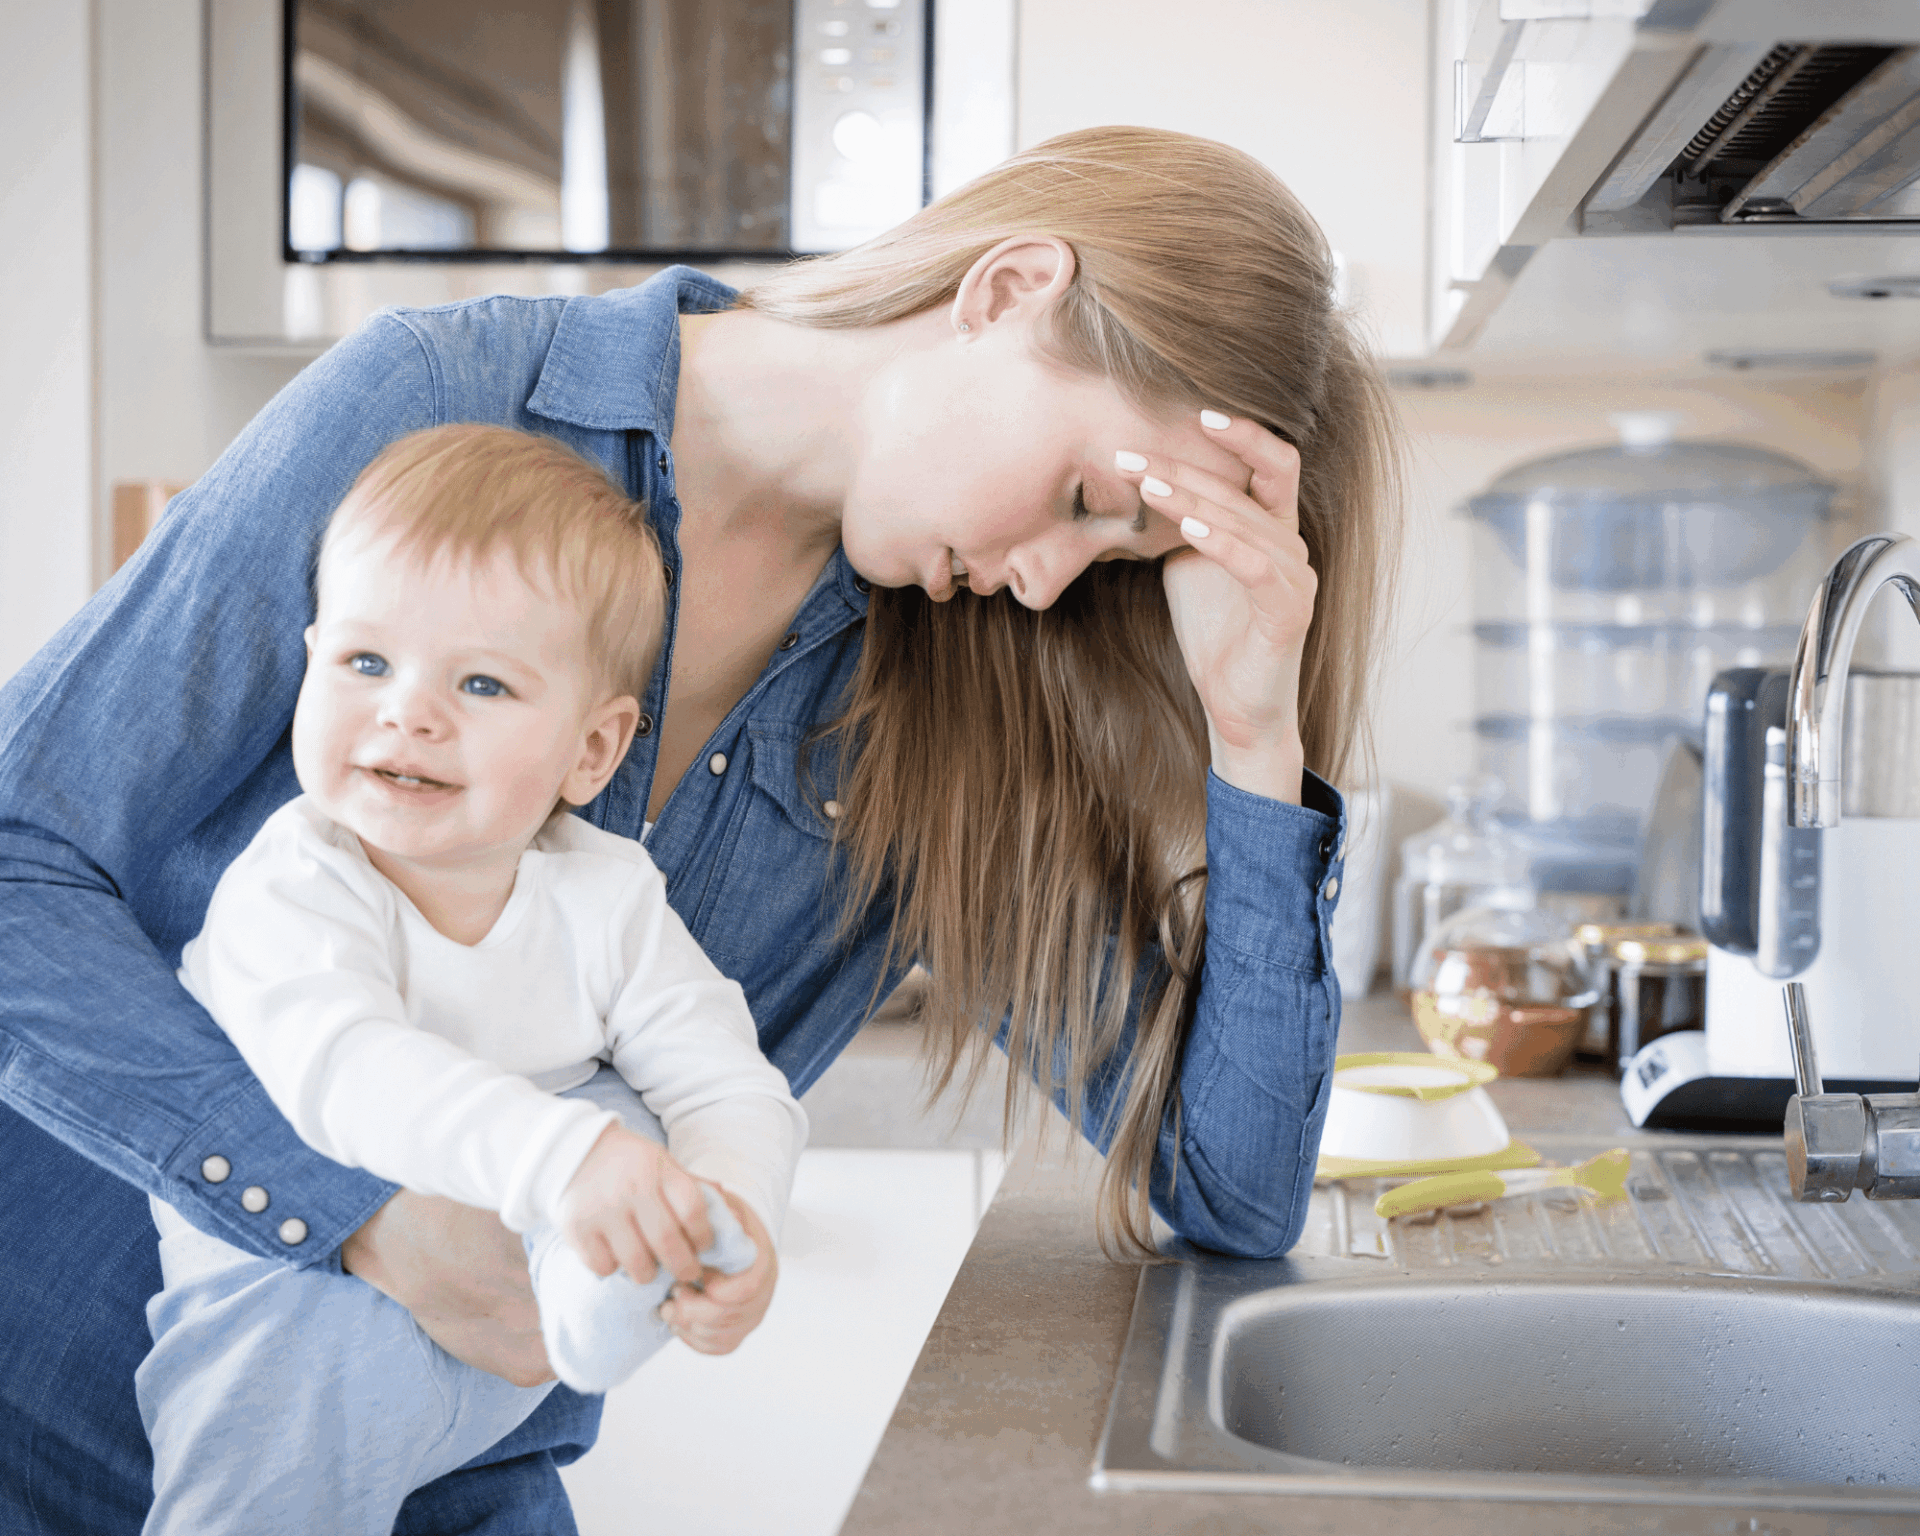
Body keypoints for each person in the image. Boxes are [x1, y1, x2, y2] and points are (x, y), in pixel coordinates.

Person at [0, 126, 1401, 1532]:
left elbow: (1228, 1187)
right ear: (1009, 288)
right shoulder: (446, 402)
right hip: (46, 1430)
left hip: (456, 1490)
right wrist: (362, 1220)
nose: (1047, 583)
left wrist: (1252, 732)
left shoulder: (965, 703)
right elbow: (17, 858)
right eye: (1089, 501)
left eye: (1111, 556)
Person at [136, 424, 805, 1535]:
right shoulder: (296, 882)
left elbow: (726, 1079)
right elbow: (346, 1075)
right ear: (312, 664)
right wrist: (569, 1164)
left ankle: (606, 1286)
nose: (408, 710)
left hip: (501, 1316)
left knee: (624, 1107)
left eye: (483, 682)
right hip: (292, 1295)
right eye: (364, 663)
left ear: (592, 752)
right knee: (265, 1480)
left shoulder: (606, 896)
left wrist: (726, 1215)